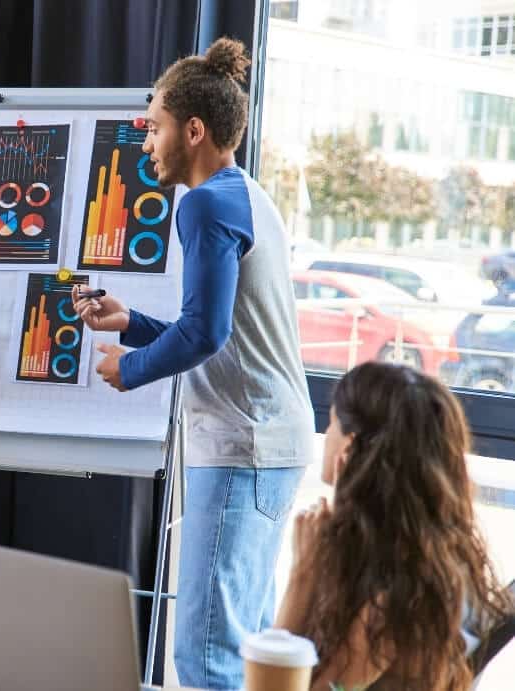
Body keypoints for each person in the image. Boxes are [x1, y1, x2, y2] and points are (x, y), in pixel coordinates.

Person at [71, 39, 314, 690]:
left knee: (207, 658)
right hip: (270, 444)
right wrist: (131, 322)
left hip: (243, 448)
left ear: (194, 130)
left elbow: (205, 333)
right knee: (247, 649)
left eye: (155, 127)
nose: (147, 142)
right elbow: (218, 329)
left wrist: (131, 369)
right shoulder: (245, 195)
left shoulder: (204, 204)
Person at [276, 362, 513, 690]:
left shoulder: (394, 593)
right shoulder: (420, 552)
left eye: (331, 422)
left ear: (349, 446)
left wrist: (302, 576)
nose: (326, 434)